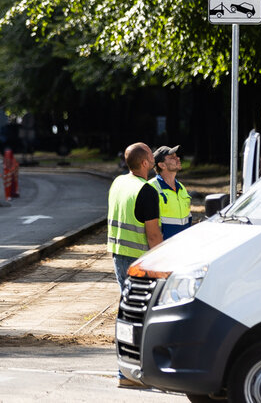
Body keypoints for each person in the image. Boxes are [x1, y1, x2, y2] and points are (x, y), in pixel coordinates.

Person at [107, 142, 162, 388]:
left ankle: (126, 372)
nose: (153, 159)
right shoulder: (147, 191)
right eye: (151, 156)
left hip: (119, 254)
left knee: (128, 312)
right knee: (142, 315)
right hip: (140, 259)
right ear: (144, 163)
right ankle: (129, 373)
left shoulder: (119, 183)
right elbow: (153, 236)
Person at [148, 145, 192, 239]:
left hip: (182, 245)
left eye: (176, 156)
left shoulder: (181, 187)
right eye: (172, 157)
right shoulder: (151, 188)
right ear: (162, 165)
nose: (178, 158)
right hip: (162, 247)